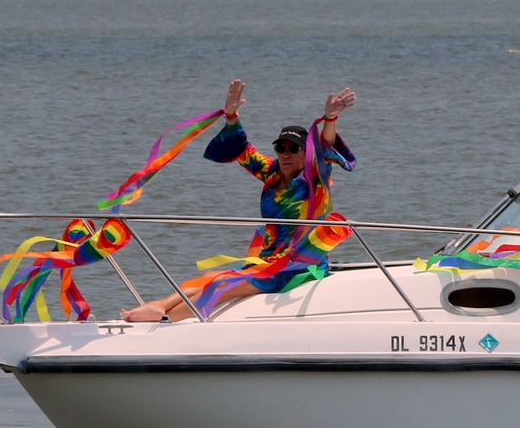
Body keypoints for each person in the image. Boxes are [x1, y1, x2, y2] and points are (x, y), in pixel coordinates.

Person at [121, 80, 357, 321]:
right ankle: (159, 307)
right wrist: (232, 116)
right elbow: (243, 151)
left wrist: (329, 120)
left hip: (296, 267)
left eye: (293, 149)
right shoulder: (272, 172)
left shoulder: (314, 179)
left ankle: (167, 323)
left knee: (221, 285)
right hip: (268, 261)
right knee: (212, 275)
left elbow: (325, 148)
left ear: (305, 154)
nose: (286, 154)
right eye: (280, 147)